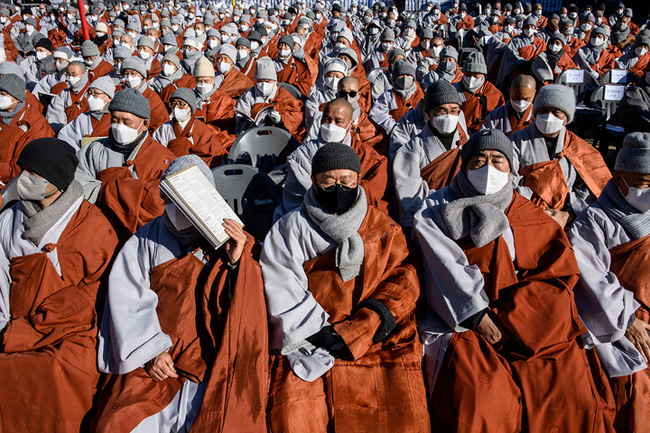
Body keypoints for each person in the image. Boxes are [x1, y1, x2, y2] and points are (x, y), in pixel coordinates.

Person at [413, 128, 615, 433]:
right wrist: (481, 318)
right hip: (464, 319)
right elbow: (444, 268)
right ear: (464, 165)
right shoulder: (435, 209)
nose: (488, 168)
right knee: (482, 396)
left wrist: (522, 323)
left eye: (498, 161)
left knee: (568, 385)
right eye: (478, 160)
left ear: (510, 167)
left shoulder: (526, 210)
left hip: (528, 319)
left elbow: (556, 274)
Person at [261, 143, 430, 432]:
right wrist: (317, 330)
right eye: (327, 181)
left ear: (358, 180)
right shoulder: (290, 227)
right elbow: (279, 279)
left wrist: (362, 326)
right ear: (314, 182)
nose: (337, 188)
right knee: (294, 413)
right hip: (310, 337)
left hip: (372, 336)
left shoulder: (383, 227)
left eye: (346, 181)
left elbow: (404, 279)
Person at [94, 155, 268, 432]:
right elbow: (127, 297)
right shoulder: (145, 238)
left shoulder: (228, 237)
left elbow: (248, 306)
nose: (178, 209)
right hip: (156, 348)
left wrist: (237, 262)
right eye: (171, 200)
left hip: (210, 352)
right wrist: (151, 351)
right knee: (118, 423)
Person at [0, 138, 118, 432]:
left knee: (56, 368)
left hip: (74, 329)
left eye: (34, 173)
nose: (25, 178)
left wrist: (41, 326)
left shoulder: (93, 224)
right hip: (14, 325)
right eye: (23, 169)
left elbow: (99, 292)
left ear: (56, 180)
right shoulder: (8, 220)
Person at [568, 132, 650, 432]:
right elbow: (589, 278)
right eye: (644, 181)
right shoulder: (594, 220)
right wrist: (627, 319)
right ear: (619, 179)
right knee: (635, 388)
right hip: (620, 323)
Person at [75, 88, 175, 240]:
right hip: (95, 228)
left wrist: (108, 191)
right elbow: (76, 183)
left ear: (145, 124)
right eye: (114, 120)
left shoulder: (162, 158)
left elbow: (157, 204)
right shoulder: (94, 150)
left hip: (142, 236)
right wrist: (108, 192)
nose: (119, 126)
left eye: (126, 122)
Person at [511, 84, 611, 228]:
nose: (548, 117)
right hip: (523, 215)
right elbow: (508, 184)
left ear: (566, 118)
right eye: (543, 111)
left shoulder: (580, 149)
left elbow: (591, 192)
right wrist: (534, 211)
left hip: (568, 221)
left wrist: (568, 215)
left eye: (556, 112)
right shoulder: (516, 141)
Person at [277, 98, 388, 219]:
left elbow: (373, 191)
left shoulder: (366, 155)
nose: (331, 125)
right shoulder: (302, 154)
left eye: (338, 121)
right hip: (309, 216)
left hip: (354, 217)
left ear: (350, 124)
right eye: (327, 120)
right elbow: (297, 196)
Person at [392, 80, 469, 228]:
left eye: (454, 111)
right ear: (428, 113)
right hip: (429, 220)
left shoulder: (464, 144)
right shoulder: (411, 149)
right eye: (442, 111)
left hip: (462, 217)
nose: (448, 116)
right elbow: (411, 200)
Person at [153, 87, 229, 167]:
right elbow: (157, 152)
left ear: (190, 107)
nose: (176, 108)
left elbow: (211, 152)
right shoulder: (164, 128)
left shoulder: (200, 128)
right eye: (173, 103)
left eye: (181, 104)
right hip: (170, 167)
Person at [0, 73, 54, 185]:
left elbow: (24, 166)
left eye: (3, 94)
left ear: (17, 98)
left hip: (16, 183)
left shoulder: (34, 123)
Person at [234, 57, 304, 139]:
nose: (264, 84)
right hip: (253, 136)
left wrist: (281, 119)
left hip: (277, 136)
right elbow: (241, 115)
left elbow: (296, 115)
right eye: (260, 81)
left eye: (267, 81)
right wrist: (250, 126)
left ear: (274, 81)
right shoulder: (248, 95)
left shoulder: (283, 94)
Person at [57, 76, 115, 151]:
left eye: (96, 93)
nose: (91, 97)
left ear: (109, 98)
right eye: (89, 93)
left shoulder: (115, 118)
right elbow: (66, 137)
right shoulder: (82, 118)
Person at [454, 51, 505, 134]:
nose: (471, 78)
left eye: (475, 75)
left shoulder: (494, 93)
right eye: (468, 74)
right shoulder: (453, 89)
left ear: (482, 74)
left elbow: (498, 120)